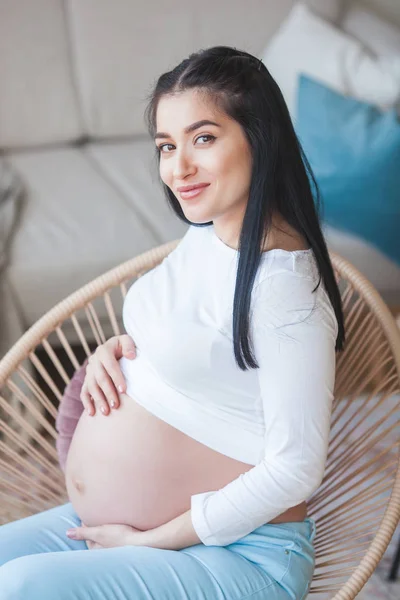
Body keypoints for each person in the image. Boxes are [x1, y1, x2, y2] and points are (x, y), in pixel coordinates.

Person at [0, 45, 345, 599]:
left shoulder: (285, 290)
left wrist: (153, 541)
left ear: (259, 137)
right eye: (167, 146)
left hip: (241, 556)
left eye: (203, 139)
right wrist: (114, 348)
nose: (178, 168)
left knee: (20, 586)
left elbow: (296, 470)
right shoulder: (208, 231)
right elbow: (189, 333)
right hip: (144, 531)